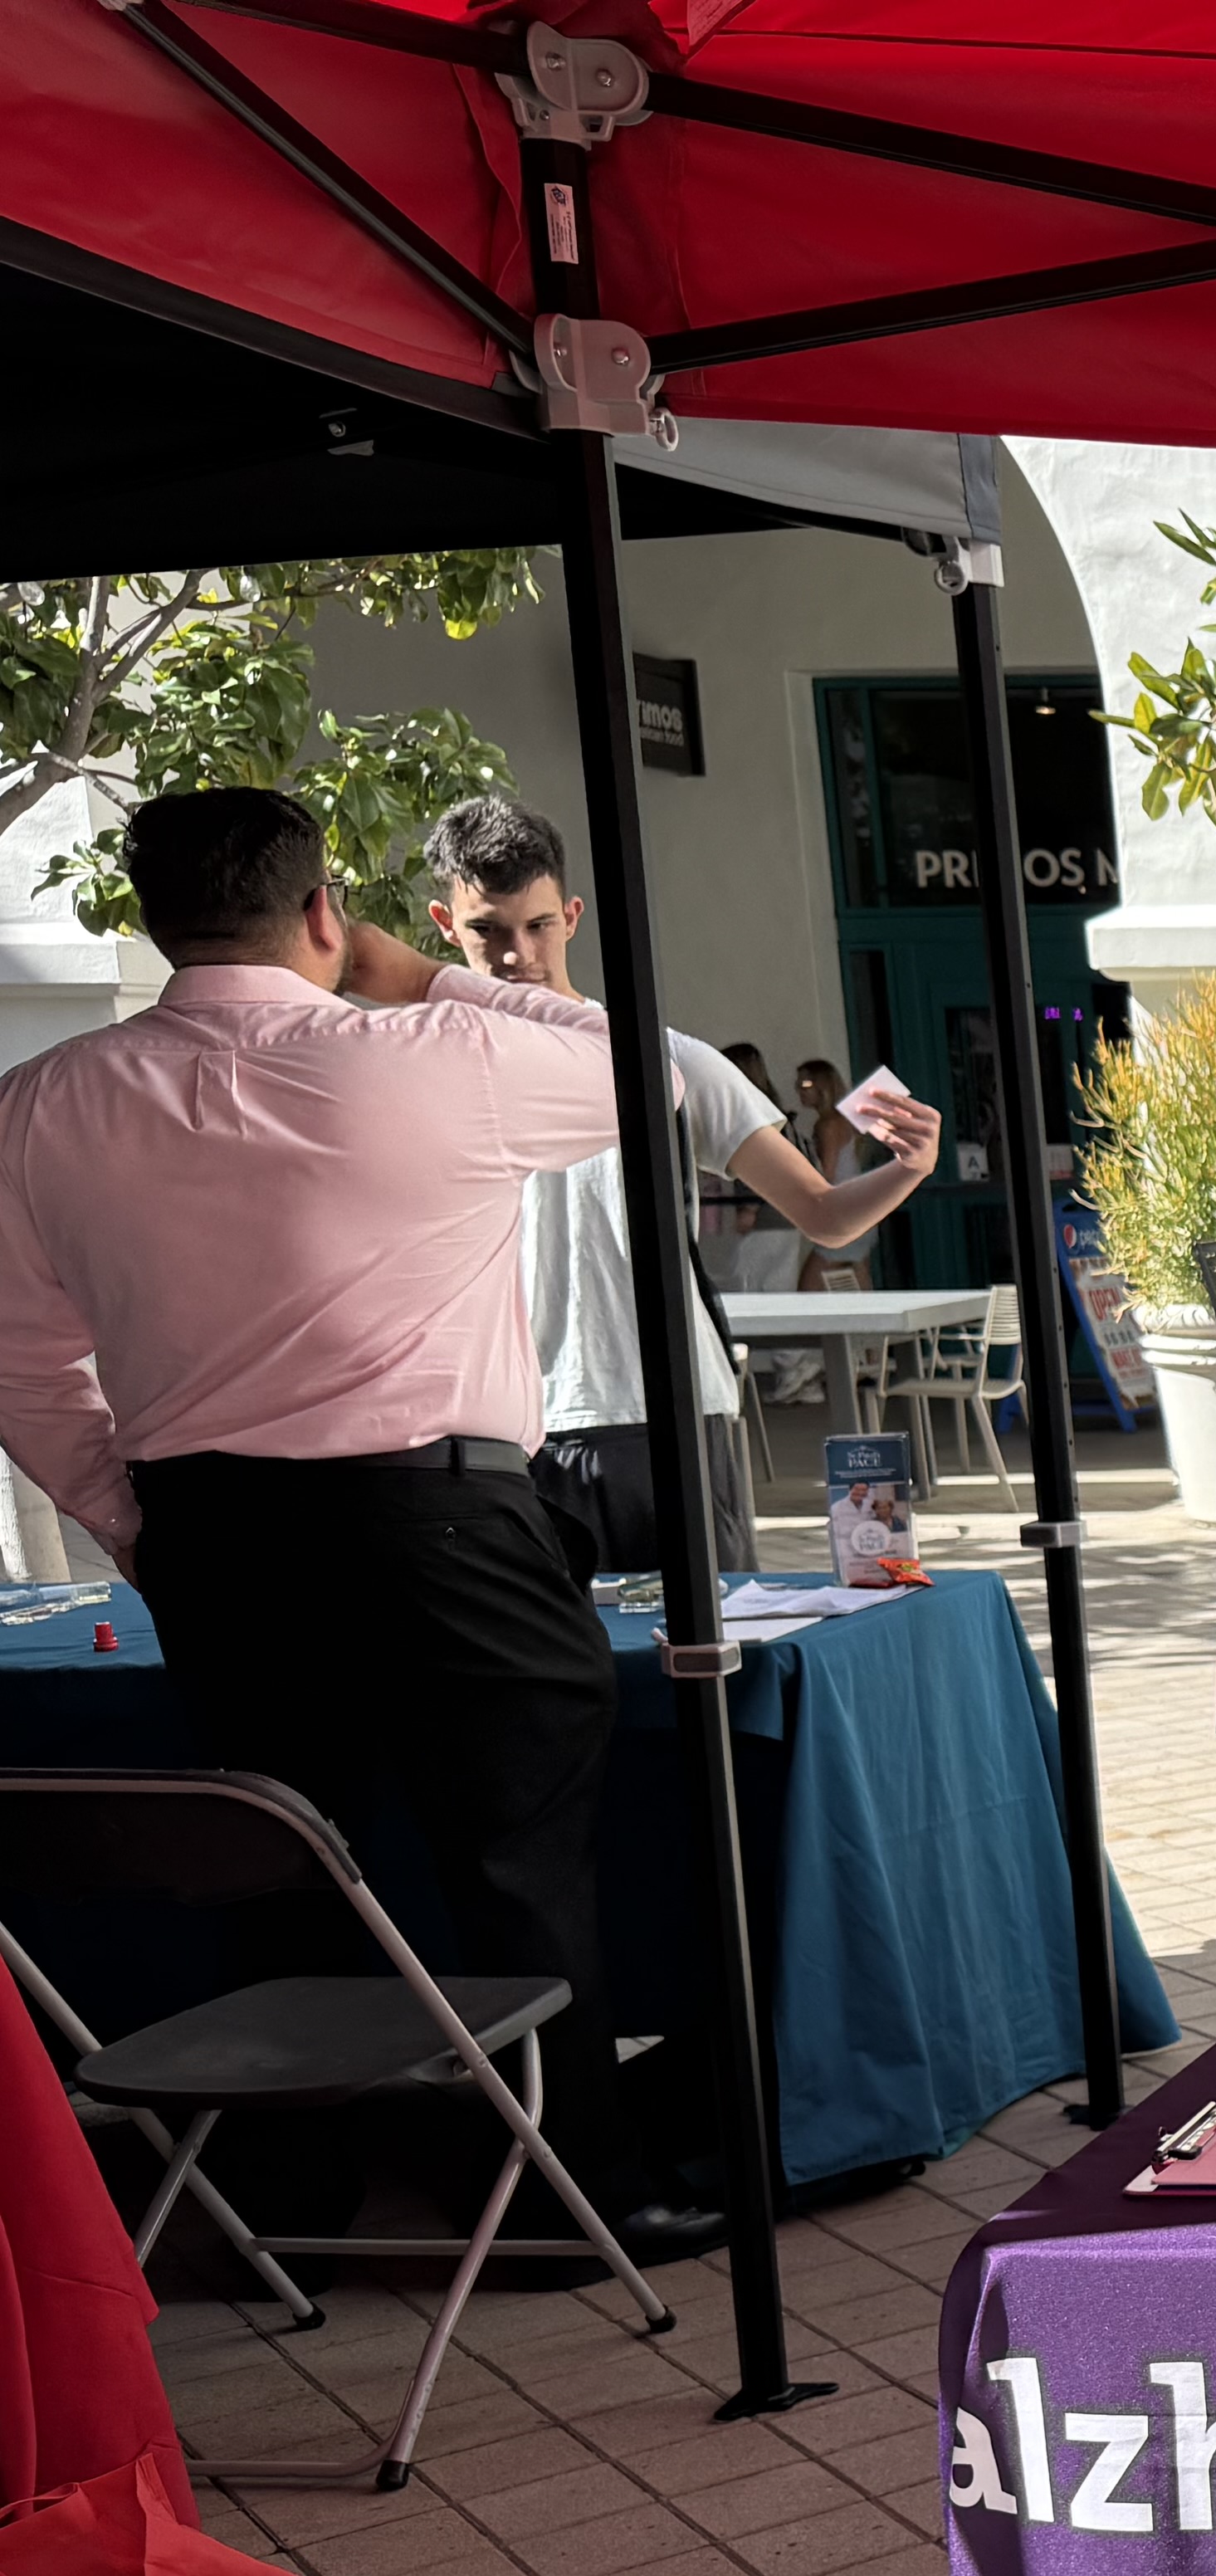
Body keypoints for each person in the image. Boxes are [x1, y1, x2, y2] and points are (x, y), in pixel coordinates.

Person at [0, 785, 720, 2252]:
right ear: (326, 912)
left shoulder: (44, 1104)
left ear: (153, 920)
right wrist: (426, 971)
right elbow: (659, 1074)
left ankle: (297, 2185)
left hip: (215, 1534)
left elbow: (17, 1353)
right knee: (517, 1860)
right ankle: (573, 2194)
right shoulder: (439, 1057)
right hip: (443, 1520)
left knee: (279, 1860)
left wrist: (129, 1516)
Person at [422, 799, 941, 1579]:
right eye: (486, 930)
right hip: (508, 1430)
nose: (514, 955)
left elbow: (824, 1216)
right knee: (548, 1688)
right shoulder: (430, 1076)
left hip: (675, 1413)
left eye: (536, 927)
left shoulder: (667, 1061)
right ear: (445, 925)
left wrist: (909, 1166)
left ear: (571, 916)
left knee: (706, 1670)